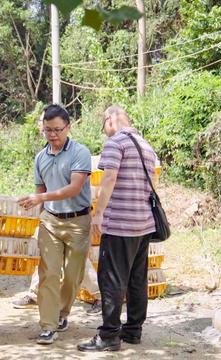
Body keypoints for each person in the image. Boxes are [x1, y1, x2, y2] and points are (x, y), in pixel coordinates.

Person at [78, 106, 157, 352]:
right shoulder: (146, 145)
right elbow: (153, 184)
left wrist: (98, 213)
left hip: (120, 225)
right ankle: (133, 331)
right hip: (143, 224)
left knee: (111, 279)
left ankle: (109, 335)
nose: (105, 132)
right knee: (136, 280)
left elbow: (109, 178)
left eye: (104, 126)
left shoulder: (115, 143)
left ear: (110, 119)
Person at [17, 104, 92, 345]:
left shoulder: (80, 153)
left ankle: (62, 312)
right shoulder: (40, 157)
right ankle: (48, 325)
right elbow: (40, 192)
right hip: (50, 221)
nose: (53, 135)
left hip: (78, 221)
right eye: (48, 130)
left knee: (72, 276)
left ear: (68, 128)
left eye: (58, 130)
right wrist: (38, 216)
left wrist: (41, 197)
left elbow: (74, 188)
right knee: (48, 274)